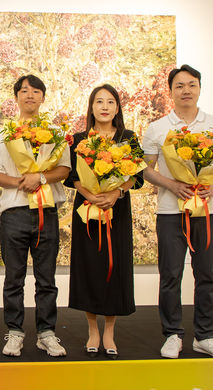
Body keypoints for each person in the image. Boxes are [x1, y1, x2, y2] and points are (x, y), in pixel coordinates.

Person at [142, 64, 213, 359]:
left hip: (208, 212)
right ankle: (172, 334)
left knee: (206, 275)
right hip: (171, 213)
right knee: (170, 274)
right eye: (179, 86)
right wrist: (171, 184)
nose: (186, 90)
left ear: (199, 88)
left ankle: (205, 337)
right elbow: (145, 168)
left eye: (192, 85)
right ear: (170, 91)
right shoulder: (158, 127)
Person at [0, 75, 70, 358]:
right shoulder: (2, 135)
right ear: (17, 97)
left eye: (36, 91)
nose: (30, 95)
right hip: (14, 213)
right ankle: (15, 332)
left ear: (43, 97)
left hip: (47, 212)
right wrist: (22, 181)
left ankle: (47, 333)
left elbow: (64, 169)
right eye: (24, 91)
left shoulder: (56, 133)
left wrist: (41, 177)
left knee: (47, 279)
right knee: (14, 278)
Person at [64, 84, 143, 359]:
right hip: (87, 209)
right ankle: (92, 331)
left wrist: (116, 193)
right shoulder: (79, 139)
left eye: (110, 102)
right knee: (89, 266)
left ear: (117, 108)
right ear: (92, 107)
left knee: (114, 266)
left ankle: (109, 331)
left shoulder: (128, 138)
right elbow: (73, 175)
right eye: (99, 101)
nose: (105, 106)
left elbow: (137, 176)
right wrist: (90, 195)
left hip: (116, 210)